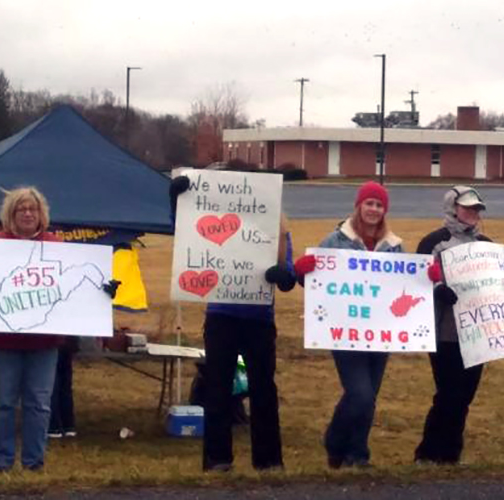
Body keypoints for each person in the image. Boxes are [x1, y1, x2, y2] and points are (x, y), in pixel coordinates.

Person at [0, 187, 116, 472]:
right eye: (20, 209)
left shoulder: (57, 246)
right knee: (2, 403)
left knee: (39, 403)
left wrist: (104, 290)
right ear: (10, 215)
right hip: (2, 342)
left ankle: (33, 463)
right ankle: (1, 463)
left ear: (41, 215)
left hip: (44, 342)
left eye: (32, 209)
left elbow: (80, 281)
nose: (27, 213)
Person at [170, 175, 296, 472]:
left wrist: (285, 275)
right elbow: (187, 234)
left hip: (259, 318)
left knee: (264, 389)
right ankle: (217, 458)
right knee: (217, 387)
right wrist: (177, 203)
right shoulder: (215, 221)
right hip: (221, 315)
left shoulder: (276, 230)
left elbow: (289, 270)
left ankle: (268, 460)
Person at [294, 181, 403, 469]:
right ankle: (335, 440)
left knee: (369, 397)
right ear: (359, 206)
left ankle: (355, 453)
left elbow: (404, 285)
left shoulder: (394, 246)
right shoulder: (335, 241)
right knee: (360, 393)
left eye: (379, 205)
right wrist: (302, 271)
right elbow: (314, 281)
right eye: (369, 203)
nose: (374, 210)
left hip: (381, 331)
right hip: (344, 331)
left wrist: (427, 277)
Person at [413, 185, 491, 465]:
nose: (472, 213)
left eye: (476, 209)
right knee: (447, 393)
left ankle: (450, 454)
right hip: (443, 332)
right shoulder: (433, 242)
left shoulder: (488, 245)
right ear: (452, 208)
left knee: (465, 395)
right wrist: (437, 291)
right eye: (467, 207)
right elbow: (416, 282)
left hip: (477, 333)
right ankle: (428, 452)